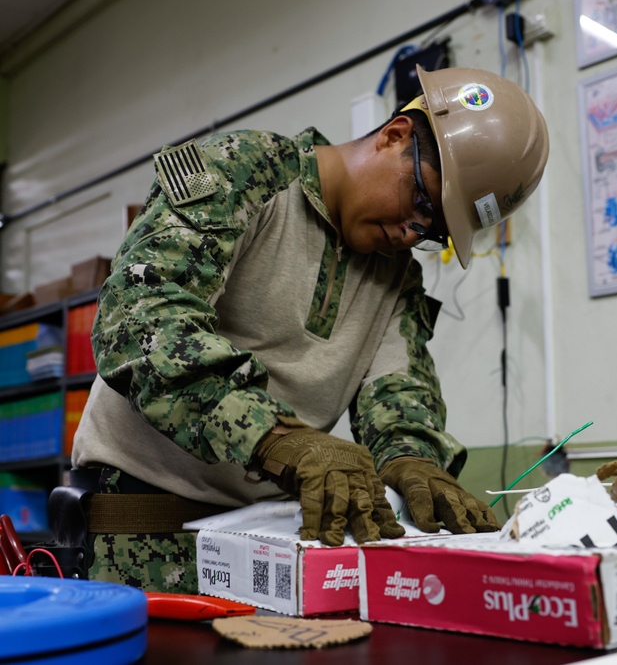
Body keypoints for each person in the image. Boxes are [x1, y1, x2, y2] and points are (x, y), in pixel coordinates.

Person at [56, 65, 550, 593]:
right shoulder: (244, 172)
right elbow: (141, 320)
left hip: (268, 542)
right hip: (137, 532)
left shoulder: (397, 277)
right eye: (423, 203)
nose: (412, 234)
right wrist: (278, 439)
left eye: (435, 233)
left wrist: (413, 460)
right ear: (394, 136)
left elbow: (399, 392)